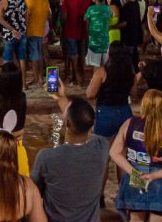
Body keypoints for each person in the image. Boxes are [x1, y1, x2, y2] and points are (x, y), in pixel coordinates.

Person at [109, 88, 162, 221]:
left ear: (143, 105)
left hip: (136, 179)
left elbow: (114, 152)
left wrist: (134, 173)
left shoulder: (129, 124)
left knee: (136, 219)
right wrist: (152, 176)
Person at [31, 93, 108, 222]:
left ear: (66, 122)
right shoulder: (102, 147)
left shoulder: (46, 158)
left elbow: (34, 191)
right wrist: (62, 99)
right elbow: (84, 122)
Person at [86, 43, 134, 140]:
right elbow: (134, 93)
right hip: (125, 111)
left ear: (110, 53)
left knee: (100, 144)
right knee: (123, 144)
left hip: (106, 113)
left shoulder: (102, 71)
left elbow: (90, 94)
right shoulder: (131, 71)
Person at [23, 0, 51, 89]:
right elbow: (48, 14)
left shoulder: (30, 1)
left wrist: (24, 31)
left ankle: (36, 78)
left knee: (34, 56)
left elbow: (26, 19)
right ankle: (40, 77)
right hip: (42, 30)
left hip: (32, 31)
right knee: (39, 55)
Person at [0, 0, 29, 66]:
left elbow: (0, 19)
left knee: (7, 59)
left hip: (9, 34)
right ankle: (23, 76)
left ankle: (9, 75)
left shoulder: (4, 2)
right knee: (22, 58)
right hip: (22, 32)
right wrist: (24, 29)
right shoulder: (23, 0)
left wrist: (13, 30)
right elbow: (26, 17)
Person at [84, 0, 111, 69]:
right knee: (104, 65)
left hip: (94, 40)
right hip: (105, 39)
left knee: (96, 66)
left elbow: (85, 21)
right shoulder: (108, 8)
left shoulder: (91, 9)